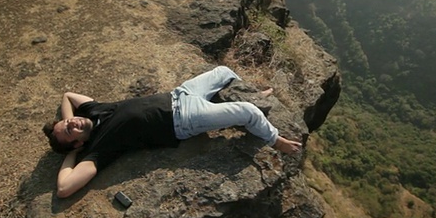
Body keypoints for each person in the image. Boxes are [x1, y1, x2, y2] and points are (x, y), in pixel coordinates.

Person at [42, 66, 302, 198]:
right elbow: (64, 188)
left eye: (68, 122)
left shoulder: (93, 111)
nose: (73, 123)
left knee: (223, 72)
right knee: (247, 112)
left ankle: (256, 94)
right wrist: (73, 155)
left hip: (180, 94)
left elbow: (68, 96)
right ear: (76, 145)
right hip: (184, 119)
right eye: (70, 130)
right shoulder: (98, 150)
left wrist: (66, 125)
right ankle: (274, 139)